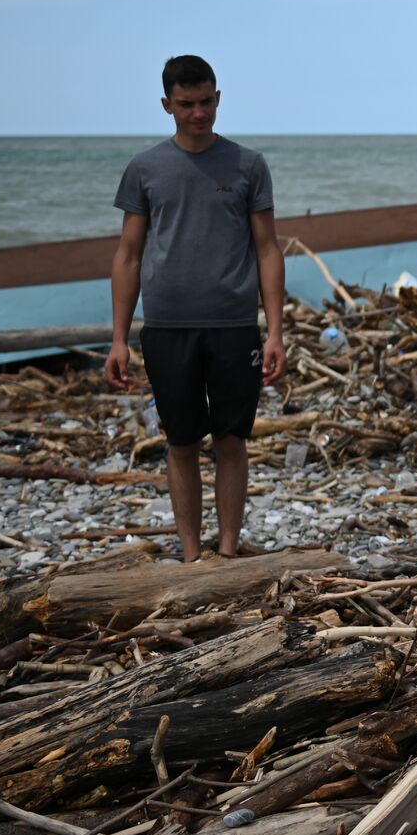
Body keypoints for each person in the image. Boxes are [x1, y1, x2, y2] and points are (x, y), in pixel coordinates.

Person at [105, 55, 286, 561]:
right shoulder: (145, 168)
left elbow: (268, 249)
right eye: (186, 104)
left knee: (231, 439)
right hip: (166, 327)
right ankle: (189, 556)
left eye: (206, 101)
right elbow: (128, 254)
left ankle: (226, 552)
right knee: (181, 441)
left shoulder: (247, 165)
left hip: (233, 326)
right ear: (167, 105)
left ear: (218, 98)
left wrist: (274, 332)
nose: (199, 113)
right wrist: (119, 339)